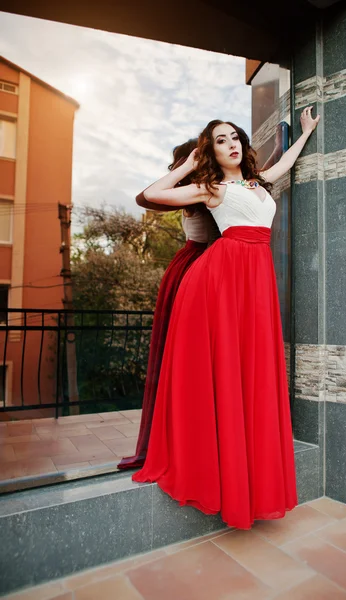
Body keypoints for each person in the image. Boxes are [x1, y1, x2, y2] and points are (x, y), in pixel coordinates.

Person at [133, 108, 320, 529]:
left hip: (255, 280)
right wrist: (186, 166)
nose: (232, 143)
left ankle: (247, 474)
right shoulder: (210, 188)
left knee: (251, 372)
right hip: (221, 281)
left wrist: (305, 134)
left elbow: (283, 165)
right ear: (210, 151)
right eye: (220, 139)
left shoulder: (258, 182)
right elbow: (149, 196)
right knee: (225, 370)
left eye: (234, 136)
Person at [118, 139, 218, 469]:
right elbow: (143, 198)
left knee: (197, 362)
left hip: (201, 271)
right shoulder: (196, 192)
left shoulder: (211, 190)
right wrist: (188, 167)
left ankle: (195, 444)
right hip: (194, 273)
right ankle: (177, 446)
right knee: (183, 360)